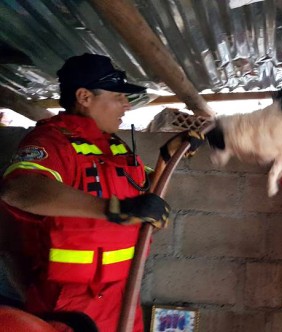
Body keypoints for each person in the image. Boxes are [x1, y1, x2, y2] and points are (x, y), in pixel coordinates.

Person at [0, 53, 173, 332]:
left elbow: (147, 195)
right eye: (118, 96)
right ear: (84, 96)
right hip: (68, 305)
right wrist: (113, 209)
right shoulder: (52, 141)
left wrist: (168, 157)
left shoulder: (116, 146)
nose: (126, 104)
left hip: (122, 299)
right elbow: (19, 188)